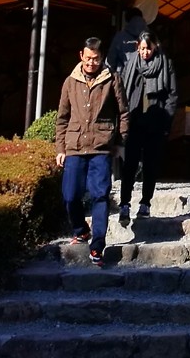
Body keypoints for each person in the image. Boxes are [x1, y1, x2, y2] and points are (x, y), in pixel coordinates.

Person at [54, 35, 128, 265]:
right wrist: (60, 147)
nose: (91, 63)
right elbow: (62, 117)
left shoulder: (112, 79)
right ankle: (80, 229)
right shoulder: (70, 81)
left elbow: (123, 113)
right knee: (70, 195)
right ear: (81, 56)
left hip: (101, 147)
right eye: (88, 59)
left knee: (100, 195)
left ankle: (97, 245)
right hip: (75, 146)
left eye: (95, 59)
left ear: (101, 58)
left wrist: (120, 142)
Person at [117, 27, 179, 225]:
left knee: (151, 165)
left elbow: (172, 95)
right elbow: (122, 91)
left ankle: (146, 202)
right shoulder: (131, 63)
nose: (145, 53)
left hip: (155, 120)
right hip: (134, 119)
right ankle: (125, 203)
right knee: (130, 165)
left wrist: (166, 119)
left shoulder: (165, 64)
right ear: (138, 47)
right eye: (142, 49)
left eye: (148, 49)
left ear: (155, 47)